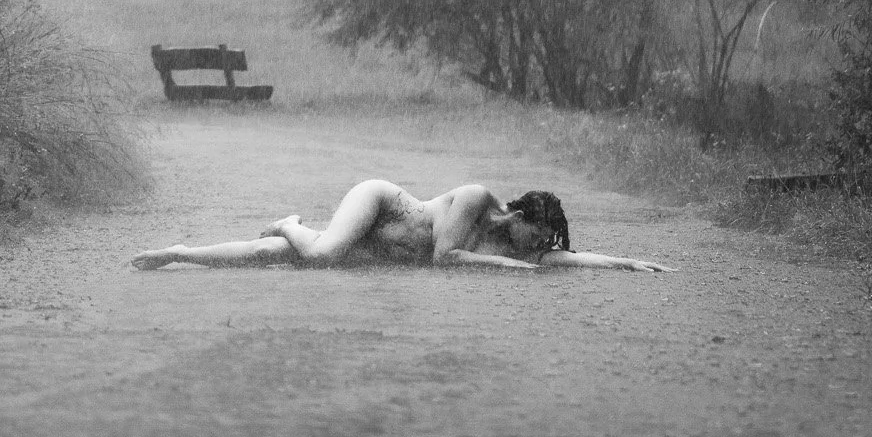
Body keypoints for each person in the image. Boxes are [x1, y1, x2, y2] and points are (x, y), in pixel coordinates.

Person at [129, 179, 667, 271]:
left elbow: (569, 259)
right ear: (521, 217)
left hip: (384, 248)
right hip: (383, 205)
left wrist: (627, 262)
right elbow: (444, 256)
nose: (539, 248)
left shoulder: (520, 247)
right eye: (539, 236)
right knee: (319, 255)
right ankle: (289, 221)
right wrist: (511, 267)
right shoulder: (477, 200)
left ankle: (180, 252)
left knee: (269, 256)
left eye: (545, 244)